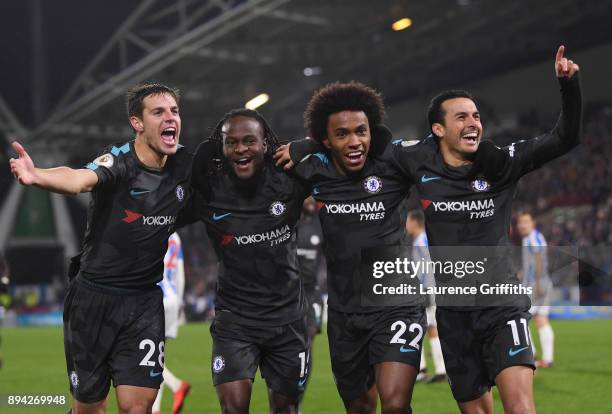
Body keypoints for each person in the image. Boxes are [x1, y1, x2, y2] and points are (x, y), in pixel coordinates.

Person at [279, 45, 581, 414]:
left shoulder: (500, 164)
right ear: (438, 129)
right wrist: (308, 143)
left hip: (494, 303)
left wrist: (569, 86)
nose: (472, 123)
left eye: (476, 116)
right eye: (461, 117)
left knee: (515, 407)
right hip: (449, 313)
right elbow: (368, 139)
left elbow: (563, 138)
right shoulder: (416, 161)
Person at [9, 83, 190, 414]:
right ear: (137, 123)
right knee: (89, 409)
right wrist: (37, 176)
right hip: (93, 300)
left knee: (137, 407)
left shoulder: (184, 166)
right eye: (159, 112)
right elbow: (78, 179)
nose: (170, 118)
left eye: (174, 111)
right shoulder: (119, 161)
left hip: (144, 303)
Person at [275, 82, 427, 414]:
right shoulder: (314, 170)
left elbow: (440, 155)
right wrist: (302, 148)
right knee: (359, 407)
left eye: (361, 131)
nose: (355, 141)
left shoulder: (395, 162)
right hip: (345, 313)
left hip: (397, 305)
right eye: (342, 134)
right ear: (326, 140)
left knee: (396, 402)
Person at [189, 109, 310, 414]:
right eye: (231, 142)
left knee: (286, 409)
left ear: (265, 144)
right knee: (232, 409)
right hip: (235, 321)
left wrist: (303, 147)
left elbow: (335, 148)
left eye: (249, 141)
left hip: (288, 320)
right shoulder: (209, 191)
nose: (240, 148)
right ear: (223, 148)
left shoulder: (290, 182)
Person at [405, 210, 446, 383]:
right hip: (430, 289)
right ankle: (439, 369)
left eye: (407, 221)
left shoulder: (421, 240)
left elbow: (428, 267)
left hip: (427, 290)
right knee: (430, 328)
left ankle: (422, 369)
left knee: (419, 327)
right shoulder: (422, 239)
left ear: (414, 222)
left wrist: (426, 290)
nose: (406, 225)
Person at [152, 232, 191, 414]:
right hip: (172, 298)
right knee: (157, 356)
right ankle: (156, 408)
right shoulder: (175, 236)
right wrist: (178, 305)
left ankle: (176, 385)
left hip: (154, 297)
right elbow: (180, 275)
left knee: (148, 357)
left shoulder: (150, 226)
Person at [296, 196, 325, 400]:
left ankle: (298, 399)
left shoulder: (321, 224)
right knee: (290, 349)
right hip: (288, 294)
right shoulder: (287, 222)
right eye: (305, 195)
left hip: (312, 294)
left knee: (307, 344)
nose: (310, 199)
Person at [516, 211, 555, 369]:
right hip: (536, 282)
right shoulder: (530, 238)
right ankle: (546, 358)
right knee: (539, 318)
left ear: (533, 223)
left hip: (536, 284)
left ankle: (531, 354)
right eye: (520, 222)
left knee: (522, 318)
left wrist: (537, 283)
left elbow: (539, 258)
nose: (522, 225)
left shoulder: (533, 238)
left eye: (525, 221)